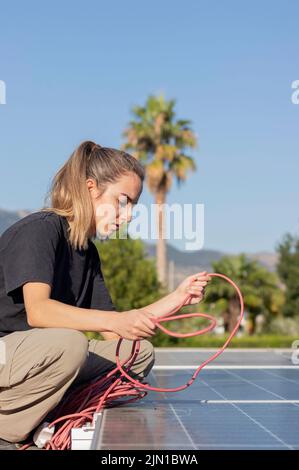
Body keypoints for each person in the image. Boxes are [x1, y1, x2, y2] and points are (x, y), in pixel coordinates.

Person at [0, 140, 210, 449]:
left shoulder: (87, 253)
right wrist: (119, 321)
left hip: (40, 361)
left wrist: (176, 299)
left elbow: (114, 330)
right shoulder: (40, 230)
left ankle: (44, 412)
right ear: (91, 188)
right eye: (123, 201)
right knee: (69, 342)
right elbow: (39, 312)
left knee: (138, 354)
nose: (127, 216)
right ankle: (14, 427)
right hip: (8, 355)